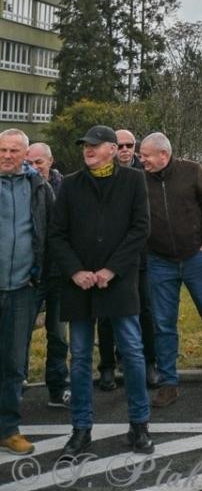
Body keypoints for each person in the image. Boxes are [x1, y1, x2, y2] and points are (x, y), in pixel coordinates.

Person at [49, 125, 153, 458]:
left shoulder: (133, 181)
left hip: (118, 282)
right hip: (79, 286)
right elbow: (56, 234)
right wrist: (76, 271)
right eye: (84, 145)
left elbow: (140, 229)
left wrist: (112, 269)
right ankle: (81, 430)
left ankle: (139, 426)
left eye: (94, 145)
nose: (88, 150)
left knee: (133, 353)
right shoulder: (70, 184)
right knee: (79, 358)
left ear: (111, 149)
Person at [139, 132, 202, 406]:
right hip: (159, 261)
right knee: (163, 324)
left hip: (197, 258)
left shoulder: (192, 171)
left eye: (146, 155)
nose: (142, 159)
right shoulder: (139, 180)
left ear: (164, 154)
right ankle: (168, 382)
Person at [0, 129, 51, 457]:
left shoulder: (39, 187)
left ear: (25, 153)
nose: (6, 155)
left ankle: (8, 429)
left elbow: (49, 233)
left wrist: (41, 281)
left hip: (22, 290)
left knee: (14, 364)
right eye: (2, 150)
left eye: (13, 151)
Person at [96, 129, 158, 392]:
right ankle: (108, 366)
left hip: (137, 255)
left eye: (129, 145)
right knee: (106, 314)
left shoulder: (142, 176)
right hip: (105, 256)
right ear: (111, 148)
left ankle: (149, 363)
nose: (124, 150)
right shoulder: (98, 174)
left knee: (144, 309)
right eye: (119, 145)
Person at [26, 141, 70, 408]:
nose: (33, 167)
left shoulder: (65, 189)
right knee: (20, 334)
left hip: (58, 274)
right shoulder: (23, 186)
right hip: (31, 273)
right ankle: (17, 383)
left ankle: (57, 387)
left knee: (57, 335)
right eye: (29, 162)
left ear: (50, 161)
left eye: (38, 162)